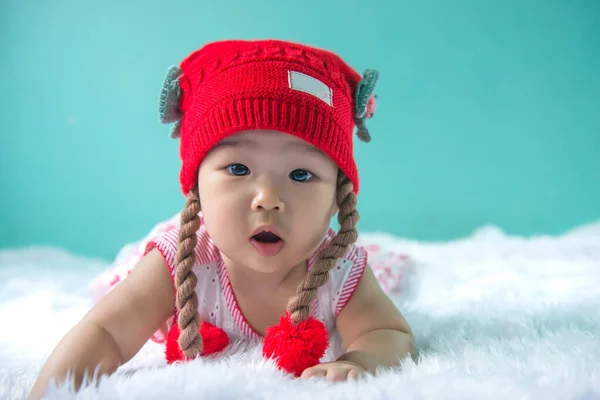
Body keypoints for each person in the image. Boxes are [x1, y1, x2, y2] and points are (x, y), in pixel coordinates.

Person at [30, 39, 416, 399]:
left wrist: (358, 361)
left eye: (301, 175)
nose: (268, 199)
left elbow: (388, 332)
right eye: (237, 168)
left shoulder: (339, 271)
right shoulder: (182, 264)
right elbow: (105, 333)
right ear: (196, 188)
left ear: (337, 198)